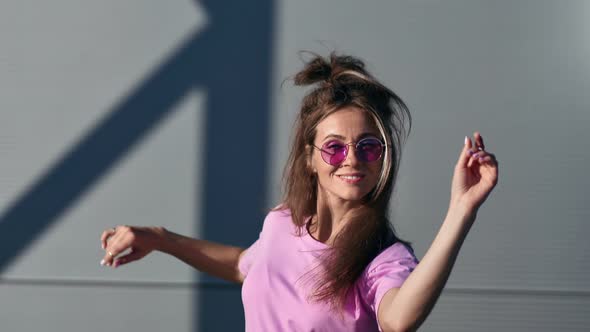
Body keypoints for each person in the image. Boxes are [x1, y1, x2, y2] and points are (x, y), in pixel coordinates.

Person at [99, 53, 498, 331]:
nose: (352, 159)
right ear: (310, 158)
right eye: (335, 147)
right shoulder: (281, 223)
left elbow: (397, 320)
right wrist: (158, 238)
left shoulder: (383, 257)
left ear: (383, 158)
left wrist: (461, 210)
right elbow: (245, 265)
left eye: (368, 146)